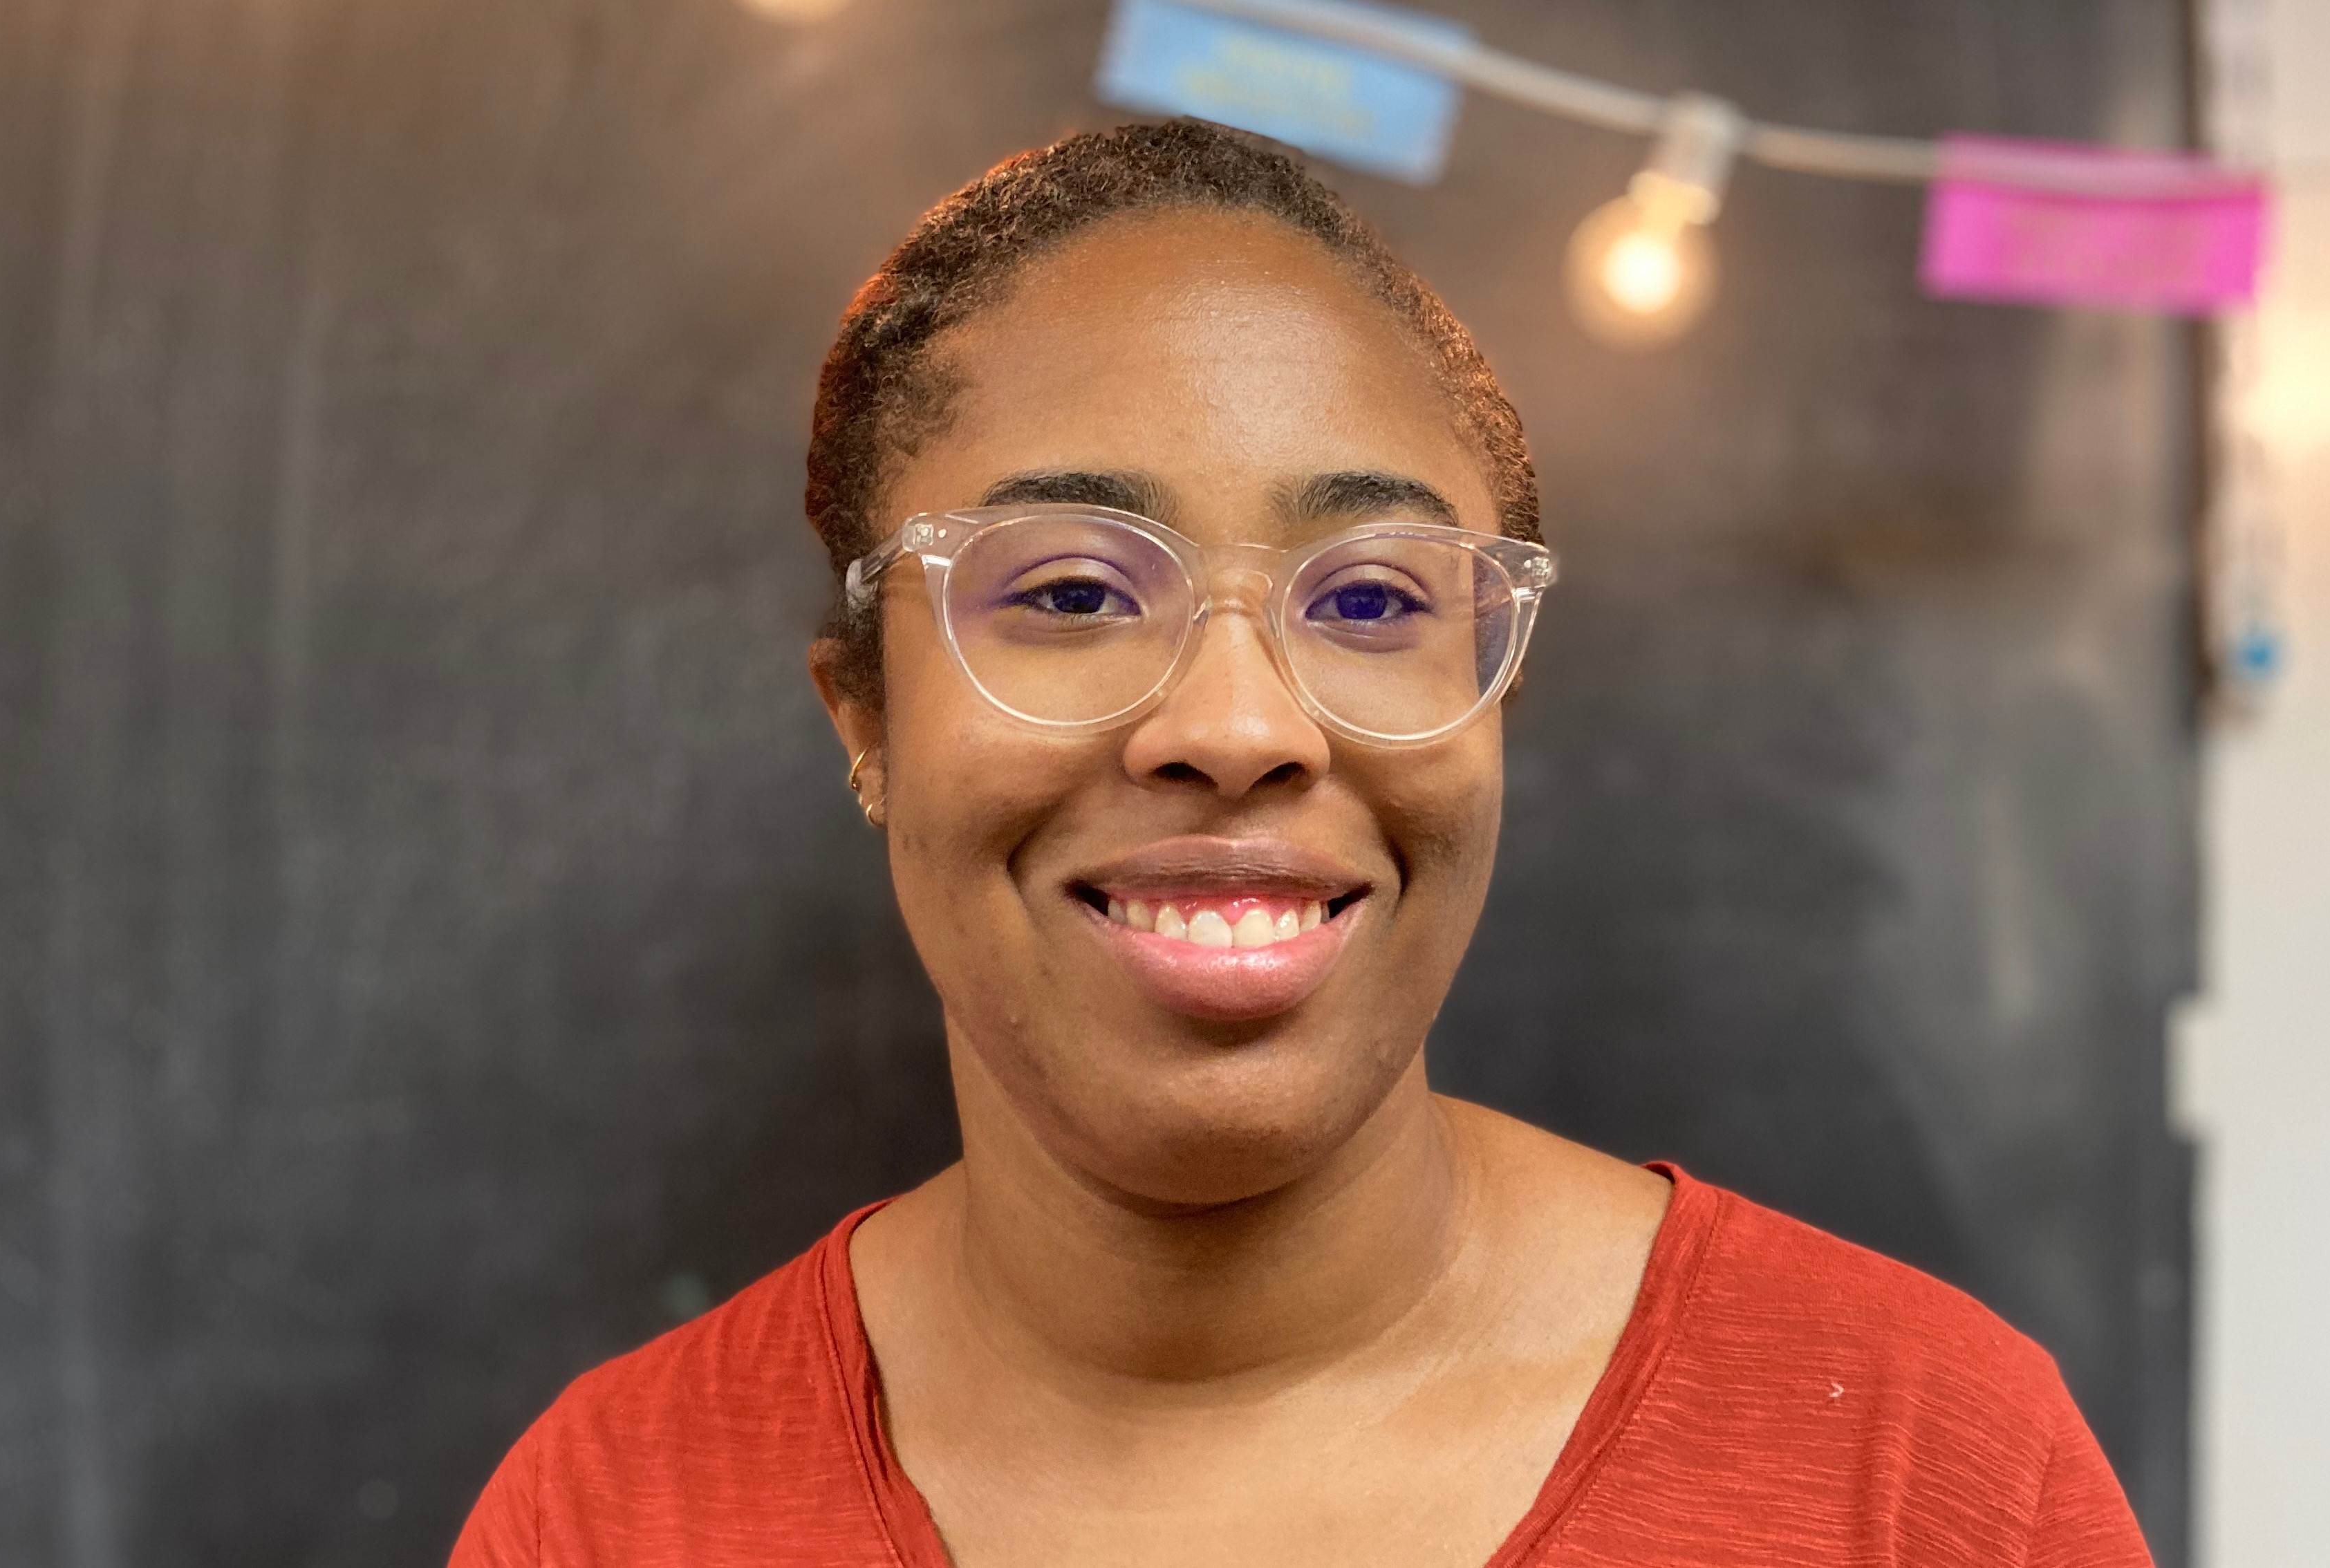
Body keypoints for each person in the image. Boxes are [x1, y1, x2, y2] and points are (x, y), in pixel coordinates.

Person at [447, 119, 2152, 1568]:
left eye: (1369, 599)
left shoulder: (1926, 1479)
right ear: (867, 724)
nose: (1244, 725)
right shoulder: (614, 1516)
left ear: (1494, 705)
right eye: (1067, 590)